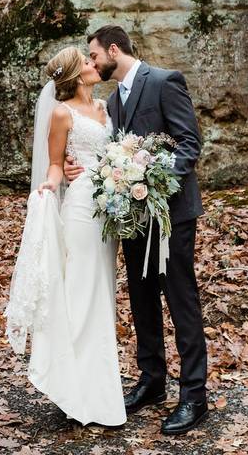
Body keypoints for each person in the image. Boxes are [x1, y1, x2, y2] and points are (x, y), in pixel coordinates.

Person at [70, 24, 210, 435]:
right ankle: (151, 382)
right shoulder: (114, 101)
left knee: (181, 301)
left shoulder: (165, 82)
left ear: (114, 49)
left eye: (94, 55)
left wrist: (157, 185)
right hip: (131, 218)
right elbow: (111, 151)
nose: (92, 63)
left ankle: (194, 396)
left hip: (172, 214)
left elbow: (189, 143)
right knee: (142, 300)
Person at [4, 46, 126, 428]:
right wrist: (46, 187)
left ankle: (97, 390)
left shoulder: (106, 108)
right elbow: (56, 164)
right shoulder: (61, 112)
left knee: (101, 294)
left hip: (109, 210)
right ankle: (71, 388)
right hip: (80, 211)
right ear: (76, 73)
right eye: (88, 62)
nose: (95, 65)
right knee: (79, 293)